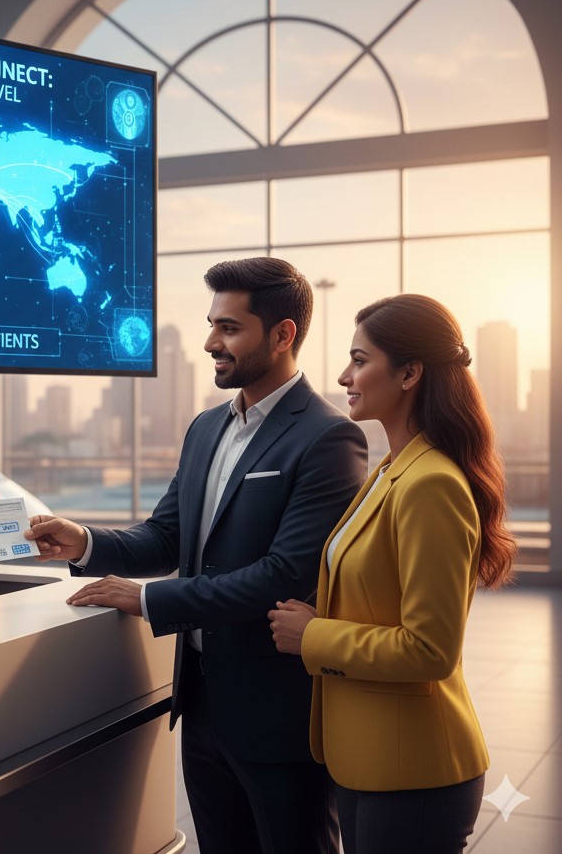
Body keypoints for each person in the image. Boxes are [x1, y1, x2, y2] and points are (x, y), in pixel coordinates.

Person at [26, 257, 368, 854]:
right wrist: (83, 540)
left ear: (283, 334)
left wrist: (149, 598)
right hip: (201, 702)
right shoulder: (206, 428)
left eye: (230, 328)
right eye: (212, 324)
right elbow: (165, 537)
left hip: (277, 713)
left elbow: (284, 575)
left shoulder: (328, 436)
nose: (212, 341)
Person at [268, 294, 517, 854]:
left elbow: (430, 650)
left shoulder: (431, 483)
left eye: (359, 360)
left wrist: (313, 636)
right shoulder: (390, 469)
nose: (343, 375)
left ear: (409, 373)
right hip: (369, 762)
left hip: (416, 775)